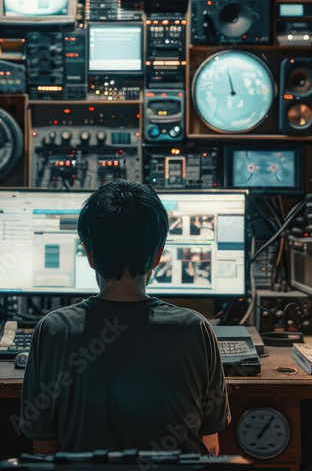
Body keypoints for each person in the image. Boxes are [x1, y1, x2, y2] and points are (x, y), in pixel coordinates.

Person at [19, 180, 231, 456]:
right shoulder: (196, 329)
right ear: (157, 255)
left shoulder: (53, 330)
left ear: (89, 254)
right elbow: (209, 446)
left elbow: (44, 450)